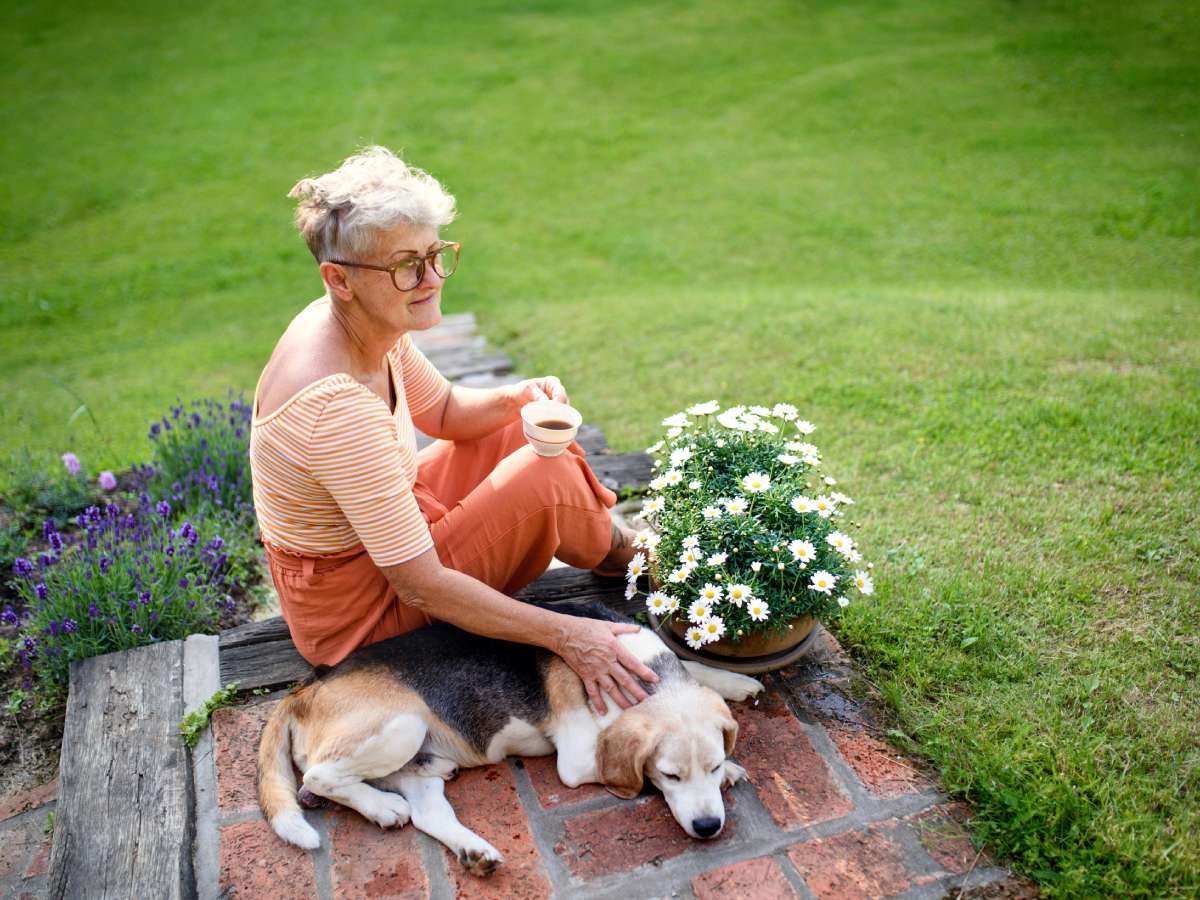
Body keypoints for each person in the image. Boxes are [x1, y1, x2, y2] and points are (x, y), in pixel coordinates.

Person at [248, 147, 654, 712]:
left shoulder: (364, 319)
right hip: (360, 617)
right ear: (337, 278)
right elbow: (420, 583)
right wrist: (569, 636)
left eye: (436, 253)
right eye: (406, 265)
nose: (431, 277)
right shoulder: (334, 408)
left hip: (391, 539)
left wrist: (517, 396)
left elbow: (443, 412)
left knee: (523, 431)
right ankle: (632, 558)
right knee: (548, 473)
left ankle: (616, 546)